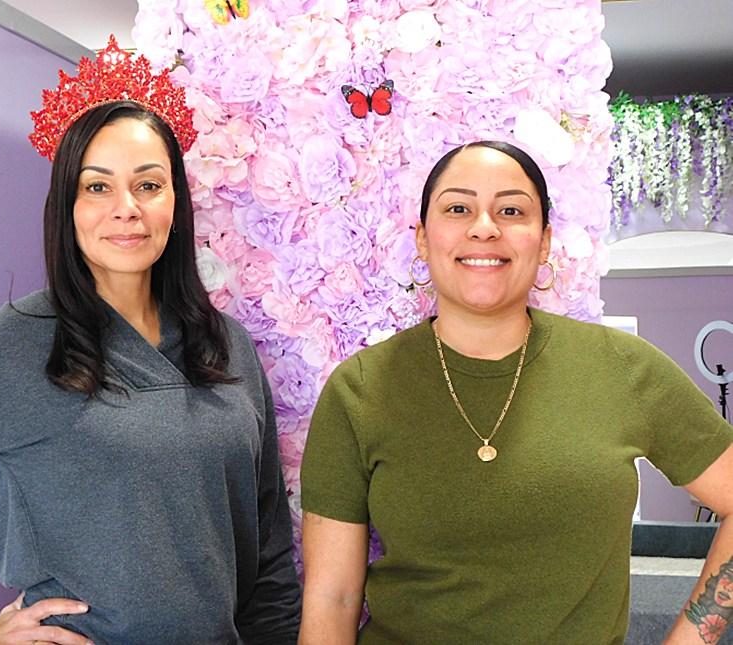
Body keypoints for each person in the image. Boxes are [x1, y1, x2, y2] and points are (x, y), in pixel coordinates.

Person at [0, 36, 300, 645]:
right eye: (98, 187)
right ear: (66, 206)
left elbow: (269, 550)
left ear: (175, 202)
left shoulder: (225, 345)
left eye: (148, 185)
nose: (127, 208)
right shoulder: (4, 349)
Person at [298, 140, 733, 644]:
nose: (484, 227)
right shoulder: (359, 390)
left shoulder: (623, 367)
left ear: (544, 242)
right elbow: (333, 599)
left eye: (511, 211)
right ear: (422, 239)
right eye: (458, 209)